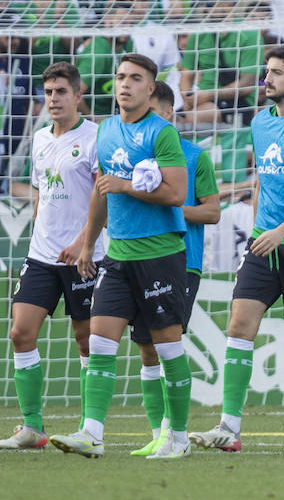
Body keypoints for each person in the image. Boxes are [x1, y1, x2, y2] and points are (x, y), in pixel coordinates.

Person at [191, 45, 284, 453]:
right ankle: (229, 428)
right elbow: (261, 181)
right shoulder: (259, 123)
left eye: (275, 72)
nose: (267, 79)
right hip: (263, 243)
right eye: (266, 72)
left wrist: (282, 232)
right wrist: (262, 227)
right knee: (239, 325)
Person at [50, 53, 194, 460]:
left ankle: (178, 438)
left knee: (168, 349)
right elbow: (101, 190)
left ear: (151, 89)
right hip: (117, 256)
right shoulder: (107, 131)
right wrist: (87, 241)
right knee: (99, 341)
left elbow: (177, 195)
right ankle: (92, 433)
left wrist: (129, 185)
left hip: (160, 255)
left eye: (135, 78)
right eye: (120, 77)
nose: (125, 84)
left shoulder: (162, 133)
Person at [0, 62, 102, 451]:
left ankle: (89, 429)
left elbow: (103, 195)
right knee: (20, 332)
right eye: (49, 92)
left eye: (61, 92)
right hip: (41, 255)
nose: (53, 99)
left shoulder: (96, 137)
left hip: (85, 256)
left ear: (78, 95)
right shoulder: (40, 139)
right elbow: (38, 188)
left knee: (86, 339)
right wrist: (41, 216)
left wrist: (83, 242)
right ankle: (33, 427)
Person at [129, 80, 220, 456]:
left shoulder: (195, 157)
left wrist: (168, 205)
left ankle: (173, 432)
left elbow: (212, 211)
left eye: (153, 110)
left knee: (167, 343)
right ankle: (157, 433)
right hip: (137, 258)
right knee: (145, 348)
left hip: (182, 261)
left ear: (167, 112)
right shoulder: (132, 154)